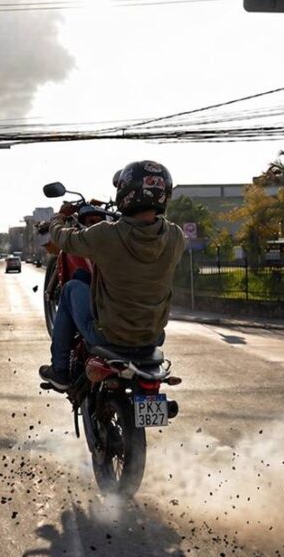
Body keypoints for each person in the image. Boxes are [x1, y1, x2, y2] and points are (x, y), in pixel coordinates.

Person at [39, 161, 186, 390]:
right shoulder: (176, 237)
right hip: (152, 337)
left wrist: (58, 218)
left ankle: (59, 370)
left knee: (70, 290)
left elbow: (64, 239)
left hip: (110, 336)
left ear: (126, 193)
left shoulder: (106, 235)